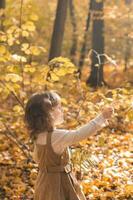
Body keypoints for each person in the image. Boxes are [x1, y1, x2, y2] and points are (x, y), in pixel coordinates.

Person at [24, 90, 114, 200]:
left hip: (43, 182)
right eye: (58, 108)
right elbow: (79, 134)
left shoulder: (37, 135)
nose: (62, 110)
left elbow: (38, 158)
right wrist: (102, 117)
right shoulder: (56, 136)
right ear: (48, 114)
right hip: (60, 183)